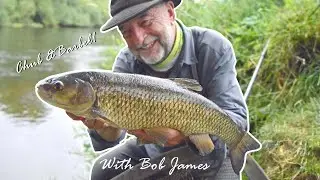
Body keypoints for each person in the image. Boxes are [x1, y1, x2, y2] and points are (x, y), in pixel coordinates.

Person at [67, 0, 248, 179]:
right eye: (126, 31)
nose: (139, 40)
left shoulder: (212, 47)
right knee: (101, 170)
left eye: (145, 22)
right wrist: (105, 127)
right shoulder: (126, 60)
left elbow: (237, 120)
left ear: (170, 12)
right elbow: (114, 135)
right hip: (153, 148)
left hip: (211, 150)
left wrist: (189, 135)